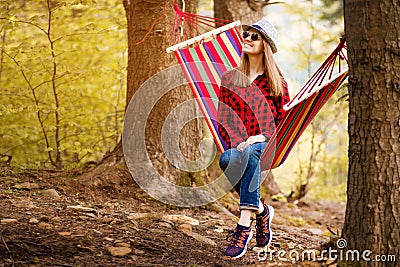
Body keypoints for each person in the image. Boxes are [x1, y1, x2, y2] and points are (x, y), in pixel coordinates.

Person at [217, 19, 290, 259]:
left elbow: (283, 122)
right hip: (239, 145)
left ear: (265, 45)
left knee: (251, 151)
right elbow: (223, 118)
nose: (247, 38)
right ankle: (262, 210)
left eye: (254, 36)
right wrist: (238, 140)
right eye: (246, 34)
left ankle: (243, 226)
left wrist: (261, 136)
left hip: (267, 145)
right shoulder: (230, 79)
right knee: (227, 159)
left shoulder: (276, 84)